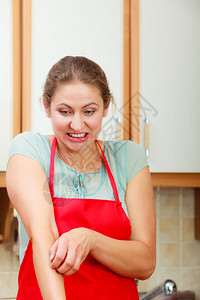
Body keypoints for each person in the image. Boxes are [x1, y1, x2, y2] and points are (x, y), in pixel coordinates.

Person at [6, 56, 156, 300]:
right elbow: (44, 234)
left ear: (106, 106)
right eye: (65, 111)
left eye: (89, 111)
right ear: (46, 105)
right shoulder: (30, 149)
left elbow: (145, 262)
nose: (77, 125)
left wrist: (91, 240)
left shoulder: (129, 158)